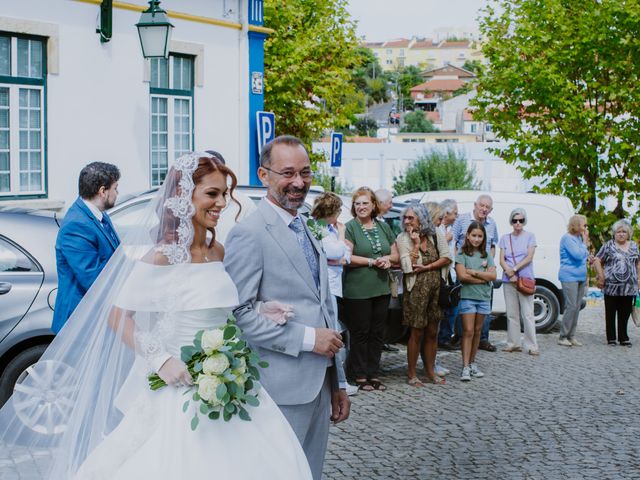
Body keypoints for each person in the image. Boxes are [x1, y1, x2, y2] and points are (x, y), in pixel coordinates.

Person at [0, 152, 313, 479]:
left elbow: (216, 307)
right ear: (183, 198)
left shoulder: (217, 250)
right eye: (212, 194)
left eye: (224, 194)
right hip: (182, 386)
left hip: (229, 383)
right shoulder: (166, 255)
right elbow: (119, 315)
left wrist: (263, 309)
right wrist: (161, 360)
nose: (222, 203)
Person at [224, 136, 349, 480]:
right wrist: (309, 340)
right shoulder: (249, 233)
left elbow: (324, 306)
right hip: (277, 386)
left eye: (305, 173)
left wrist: (337, 381)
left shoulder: (306, 224)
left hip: (320, 383)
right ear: (264, 175)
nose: (299, 182)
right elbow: (238, 315)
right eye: (288, 173)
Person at [52, 161, 121, 333]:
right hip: (80, 324)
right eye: (115, 188)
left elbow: (116, 256)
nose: (117, 193)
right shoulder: (76, 225)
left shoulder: (98, 215)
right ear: (103, 191)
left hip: (100, 318)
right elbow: (93, 278)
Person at [343, 187, 399, 392]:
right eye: (357, 204)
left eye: (365, 203)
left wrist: (386, 259)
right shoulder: (350, 227)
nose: (361, 207)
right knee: (360, 333)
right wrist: (371, 262)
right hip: (358, 290)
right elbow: (346, 257)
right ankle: (359, 374)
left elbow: (395, 254)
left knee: (377, 333)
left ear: (373, 205)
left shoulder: (383, 227)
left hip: (381, 288)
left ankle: (374, 372)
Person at [397, 204, 450, 386]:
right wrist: (417, 245)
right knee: (416, 332)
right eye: (405, 218)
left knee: (433, 332)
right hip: (416, 292)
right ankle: (412, 374)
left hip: (435, 291)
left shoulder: (434, 234)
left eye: (411, 218)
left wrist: (428, 267)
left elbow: (447, 256)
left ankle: (430, 371)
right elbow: (407, 266)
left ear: (422, 219)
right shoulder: (403, 239)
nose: (407, 221)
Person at [310, 192, 358, 395]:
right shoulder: (318, 228)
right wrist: (341, 238)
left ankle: (338, 380)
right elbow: (338, 252)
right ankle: (338, 382)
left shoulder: (325, 228)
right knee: (332, 332)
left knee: (335, 331)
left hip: (334, 285)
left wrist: (343, 254)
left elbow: (345, 257)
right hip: (326, 286)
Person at [452, 194, 499, 352]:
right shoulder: (462, 220)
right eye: (482, 205)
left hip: (484, 268)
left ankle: (482, 339)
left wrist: (489, 260)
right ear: (475, 205)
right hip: (465, 266)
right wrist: (457, 263)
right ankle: (461, 337)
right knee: (464, 305)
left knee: (484, 307)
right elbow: (454, 241)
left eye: (487, 207)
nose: (484, 209)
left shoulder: (492, 224)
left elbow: (492, 245)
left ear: (491, 209)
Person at [455, 222, 497, 381]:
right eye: (474, 235)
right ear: (467, 235)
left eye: (480, 236)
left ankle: (472, 363)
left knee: (478, 331)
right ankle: (465, 366)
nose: (477, 239)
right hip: (468, 297)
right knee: (468, 331)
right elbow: (462, 276)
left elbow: (493, 276)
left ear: (484, 237)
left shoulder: (487, 255)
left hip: (484, 298)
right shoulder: (462, 254)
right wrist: (482, 277)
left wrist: (473, 272)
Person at [498, 208, 539, 355]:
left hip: (525, 278)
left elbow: (529, 257)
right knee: (512, 313)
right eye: (515, 220)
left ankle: (531, 345)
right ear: (511, 221)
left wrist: (514, 269)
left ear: (524, 221)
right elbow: (501, 259)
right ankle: (513, 343)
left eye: (520, 220)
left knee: (528, 313)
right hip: (508, 279)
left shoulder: (530, 236)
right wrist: (509, 273)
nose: (518, 223)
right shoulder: (504, 238)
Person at [593, 220, 640, 347]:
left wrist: (639, 279)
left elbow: (637, 263)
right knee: (611, 312)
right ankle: (611, 338)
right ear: (614, 234)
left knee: (625, 313)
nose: (621, 234)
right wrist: (601, 275)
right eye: (618, 232)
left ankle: (624, 337)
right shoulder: (608, 245)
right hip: (611, 286)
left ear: (628, 233)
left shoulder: (634, 246)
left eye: (624, 232)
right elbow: (597, 259)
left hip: (629, 286)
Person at [558, 214, 591, 347]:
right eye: (584, 225)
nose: (586, 228)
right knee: (571, 306)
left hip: (580, 277)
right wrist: (584, 243)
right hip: (569, 276)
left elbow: (584, 255)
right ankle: (562, 336)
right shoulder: (567, 238)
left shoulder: (578, 238)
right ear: (576, 225)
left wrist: (589, 257)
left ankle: (571, 335)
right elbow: (577, 255)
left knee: (576, 307)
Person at [375, 187, 400, 353]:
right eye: (389, 202)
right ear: (381, 203)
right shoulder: (376, 223)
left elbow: (394, 253)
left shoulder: (383, 224)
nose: (391, 206)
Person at [437, 199, 459, 350]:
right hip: (441, 274)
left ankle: (445, 337)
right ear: (446, 213)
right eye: (455, 213)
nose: (457, 216)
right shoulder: (439, 229)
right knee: (444, 309)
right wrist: (447, 239)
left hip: (452, 273)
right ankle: (441, 338)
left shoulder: (450, 229)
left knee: (452, 307)